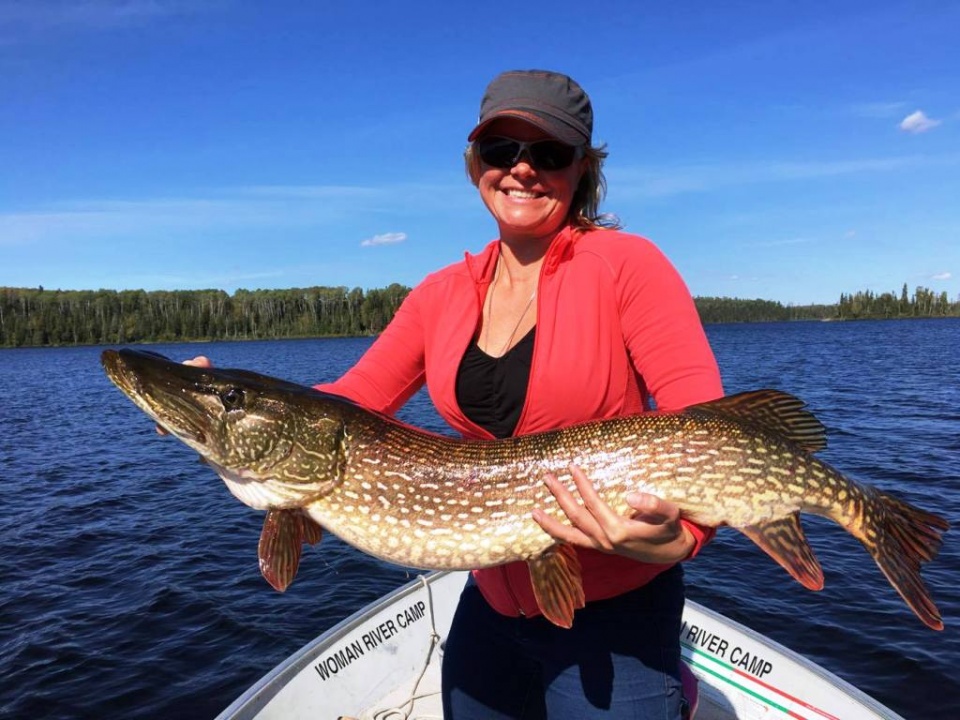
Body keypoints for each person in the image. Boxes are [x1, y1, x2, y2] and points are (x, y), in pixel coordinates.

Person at [178, 69, 722, 719]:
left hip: (619, 618)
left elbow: (705, 427)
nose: (521, 169)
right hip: (491, 610)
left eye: (547, 153)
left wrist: (684, 535)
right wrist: (227, 403)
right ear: (475, 166)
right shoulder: (439, 294)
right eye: (501, 150)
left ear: (582, 169)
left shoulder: (630, 267)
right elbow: (353, 398)